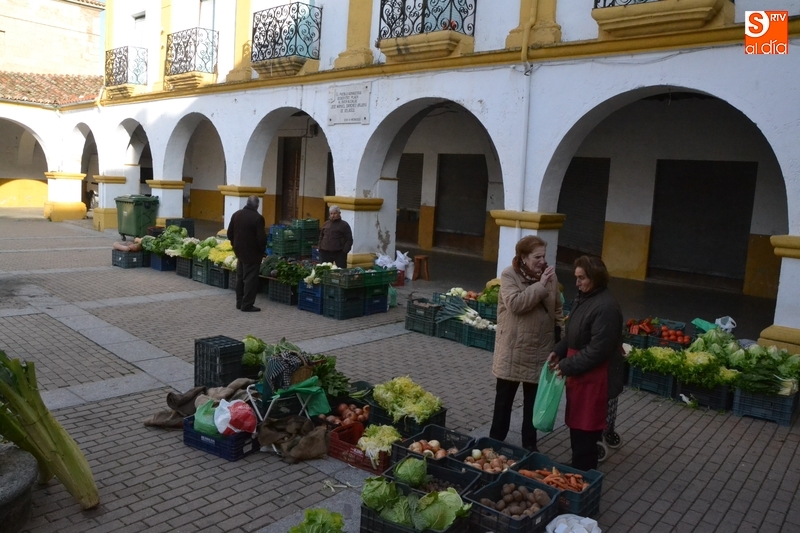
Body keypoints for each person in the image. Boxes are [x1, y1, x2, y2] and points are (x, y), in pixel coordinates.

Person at [548, 255, 624, 470]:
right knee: (577, 426)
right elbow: (574, 332)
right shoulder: (585, 298)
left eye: (581, 278)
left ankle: (584, 472)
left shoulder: (606, 307)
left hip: (595, 378)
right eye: (576, 277)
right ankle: (578, 466)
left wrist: (566, 365)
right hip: (580, 374)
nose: (577, 283)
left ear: (595, 277)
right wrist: (559, 350)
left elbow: (598, 350)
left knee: (587, 430)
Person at [490, 235, 563, 453]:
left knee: (533, 402)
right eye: (537, 257)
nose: (542, 261)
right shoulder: (509, 275)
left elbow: (557, 309)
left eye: (544, 256)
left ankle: (529, 444)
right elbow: (515, 304)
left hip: (541, 349)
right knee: (504, 402)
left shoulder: (550, 276)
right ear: (523, 257)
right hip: (513, 349)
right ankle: (494, 443)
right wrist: (540, 285)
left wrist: (561, 340)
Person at [227, 195, 267, 312]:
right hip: (252, 253)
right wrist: (262, 250)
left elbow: (229, 233)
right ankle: (247, 304)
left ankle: (239, 302)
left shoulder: (236, 214)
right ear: (257, 206)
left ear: (247, 203)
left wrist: (235, 244)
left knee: (240, 277)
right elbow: (261, 238)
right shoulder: (258, 218)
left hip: (239, 251)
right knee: (250, 279)